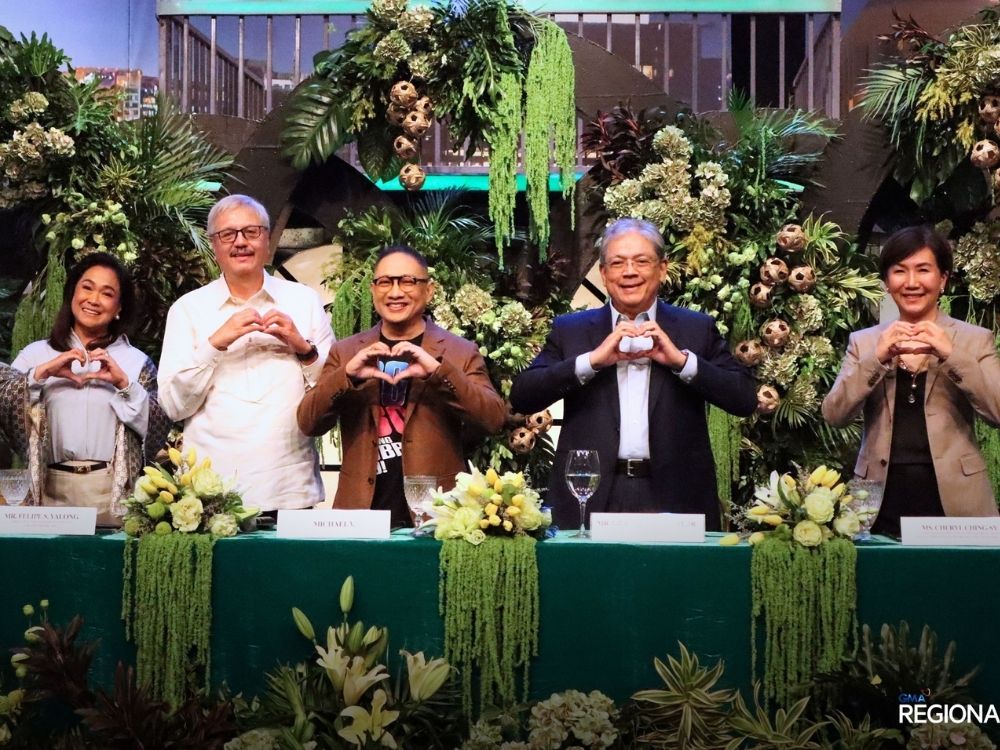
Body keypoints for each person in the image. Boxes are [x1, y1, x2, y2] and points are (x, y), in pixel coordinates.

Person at [509, 218, 757, 530]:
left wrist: (681, 362)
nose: (629, 272)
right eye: (617, 262)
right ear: (603, 273)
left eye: (642, 261)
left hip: (677, 496)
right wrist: (593, 361)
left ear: (662, 268)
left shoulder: (696, 327)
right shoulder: (571, 330)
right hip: (589, 492)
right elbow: (523, 394)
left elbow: (744, 398)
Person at [297, 245, 506, 527]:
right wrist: (347, 376)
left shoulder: (459, 351)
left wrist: (438, 372)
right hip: (360, 515)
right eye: (385, 282)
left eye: (407, 281)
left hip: (438, 515)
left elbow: (493, 418)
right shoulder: (346, 352)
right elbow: (308, 422)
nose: (395, 292)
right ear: (373, 290)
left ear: (429, 290)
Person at [158, 195, 334, 511]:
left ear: (267, 240)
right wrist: (214, 345)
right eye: (228, 234)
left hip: (289, 488)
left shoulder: (304, 301)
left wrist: (302, 348)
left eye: (251, 232)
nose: (240, 242)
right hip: (210, 493)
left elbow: (331, 396)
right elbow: (173, 406)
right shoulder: (187, 310)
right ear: (214, 245)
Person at [822, 225, 1000, 536]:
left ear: (942, 279)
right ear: (887, 283)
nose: (912, 282)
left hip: (956, 503)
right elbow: (834, 414)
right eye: (899, 271)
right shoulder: (864, 343)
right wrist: (876, 358)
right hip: (876, 503)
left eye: (923, 270)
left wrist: (951, 354)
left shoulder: (975, 340)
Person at [9, 252, 171, 524]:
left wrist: (124, 385)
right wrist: (41, 374)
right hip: (48, 493)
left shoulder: (136, 363)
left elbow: (157, 431)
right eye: (87, 287)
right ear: (72, 293)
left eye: (107, 294)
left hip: (112, 496)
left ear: (119, 307)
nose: (94, 300)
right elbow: (5, 409)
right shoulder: (35, 355)